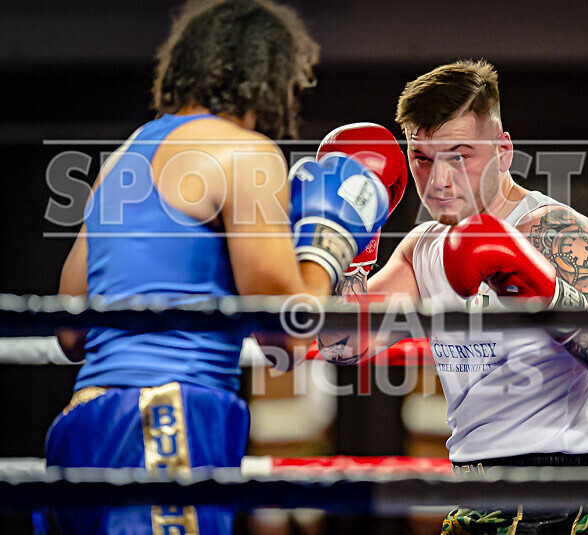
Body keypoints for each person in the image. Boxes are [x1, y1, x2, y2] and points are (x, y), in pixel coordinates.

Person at [48, 1, 390, 533]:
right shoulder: (244, 154)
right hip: (166, 421)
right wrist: (330, 239)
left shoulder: (121, 160)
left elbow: (71, 333)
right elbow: (289, 330)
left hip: (80, 427)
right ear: (266, 75)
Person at [318, 60, 588, 534]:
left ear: (502, 151)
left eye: (460, 155)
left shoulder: (556, 232)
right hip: (475, 498)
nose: (439, 180)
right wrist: (353, 244)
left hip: (559, 501)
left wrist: (537, 285)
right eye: (423, 158)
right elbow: (341, 345)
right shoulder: (422, 248)